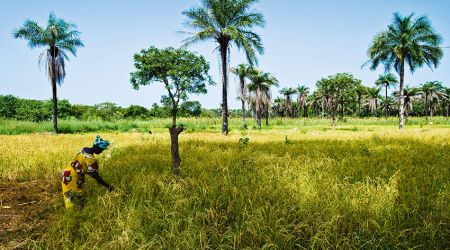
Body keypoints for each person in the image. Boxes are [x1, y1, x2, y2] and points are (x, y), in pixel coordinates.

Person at [61, 135, 114, 209]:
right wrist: (108, 186)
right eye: (101, 150)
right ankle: (76, 215)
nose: (101, 152)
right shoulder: (91, 160)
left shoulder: (84, 149)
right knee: (79, 198)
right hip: (74, 178)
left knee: (68, 196)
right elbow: (96, 176)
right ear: (97, 149)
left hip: (66, 172)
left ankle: (70, 212)